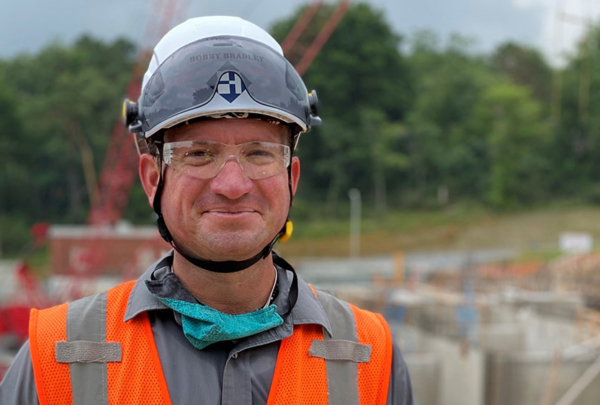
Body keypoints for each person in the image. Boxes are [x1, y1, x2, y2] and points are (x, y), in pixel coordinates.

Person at [0, 16, 414, 405]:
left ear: (292, 177)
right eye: (198, 154)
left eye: (260, 153)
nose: (232, 186)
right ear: (151, 179)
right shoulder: (55, 359)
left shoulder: (370, 357)